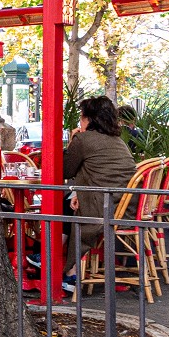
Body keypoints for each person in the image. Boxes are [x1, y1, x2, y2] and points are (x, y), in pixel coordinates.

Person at [59, 97, 139, 295]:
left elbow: (65, 170)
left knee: (63, 207)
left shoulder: (84, 139)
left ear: (89, 119)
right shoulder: (118, 141)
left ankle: (60, 264)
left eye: (81, 117)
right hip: (126, 206)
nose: (80, 121)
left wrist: (72, 142)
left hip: (104, 207)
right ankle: (60, 264)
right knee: (69, 204)